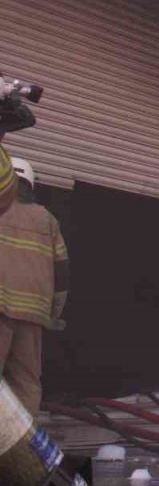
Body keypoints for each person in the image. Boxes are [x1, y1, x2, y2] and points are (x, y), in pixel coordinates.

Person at [0, 157, 68, 415]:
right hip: (32, 318)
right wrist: (53, 314)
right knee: (26, 385)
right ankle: (22, 448)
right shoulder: (47, 219)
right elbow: (62, 274)